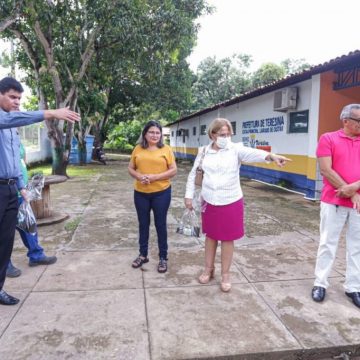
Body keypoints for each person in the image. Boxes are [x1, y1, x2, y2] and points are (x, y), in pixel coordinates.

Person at [184, 118, 291, 292]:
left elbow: (253, 153)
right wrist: (188, 197)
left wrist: (271, 156)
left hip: (231, 200)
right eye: (222, 134)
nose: (226, 137)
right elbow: (192, 174)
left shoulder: (235, 150)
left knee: (227, 238)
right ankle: (208, 269)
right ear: (212, 134)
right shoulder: (203, 151)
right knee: (210, 236)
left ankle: (225, 274)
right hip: (209, 200)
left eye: (228, 134)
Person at [0, 76, 80, 305]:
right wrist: (51, 113)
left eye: (19, 98)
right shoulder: (5, 120)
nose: (17, 102)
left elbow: (14, 160)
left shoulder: (11, 127)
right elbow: (16, 118)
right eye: (12, 97)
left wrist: (21, 186)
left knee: (5, 243)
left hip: (10, 190)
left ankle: (0, 289)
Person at [311, 104, 360, 308]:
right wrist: (348, 190)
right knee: (327, 243)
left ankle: (353, 287)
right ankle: (320, 283)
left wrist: (354, 191)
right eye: (358, 120)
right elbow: (326, 170)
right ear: (346, 121)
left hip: (358, 202)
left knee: (356, 246)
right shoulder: (328, 138)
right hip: (333, 202)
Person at [128, 120, 177, 273]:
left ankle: (163, 257)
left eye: (157, 132)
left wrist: (155, 177)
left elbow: (173, 170)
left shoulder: (166, 149)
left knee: (160, 224)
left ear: (161, 135)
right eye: (151, 132)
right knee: (143, 224)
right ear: (145, 134)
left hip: (161, 192)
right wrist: (139, 176)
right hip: (141, 193)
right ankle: (143, 255)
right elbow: (130, 168)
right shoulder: (138, 149)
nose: (155, 135)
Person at [6, 141, 57, 278]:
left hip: (19, 191)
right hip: (5, 191)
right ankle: (5, 264)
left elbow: (22, 160)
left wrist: (23, 185)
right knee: (5, 232)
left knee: (28, 224)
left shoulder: (15, 136)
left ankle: (36, 255)